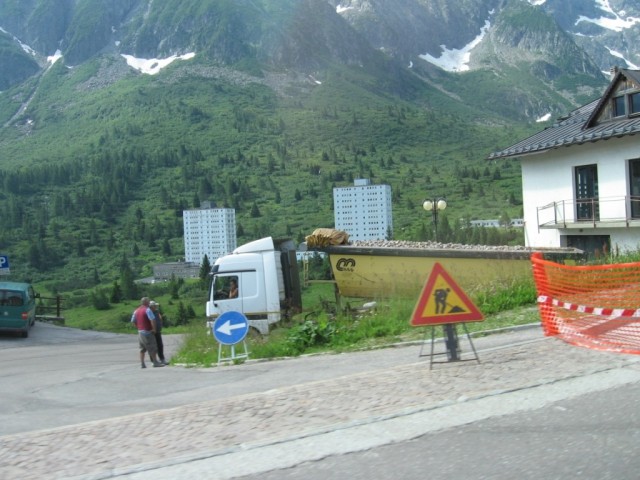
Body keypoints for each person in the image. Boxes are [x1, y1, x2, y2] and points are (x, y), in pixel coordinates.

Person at [131, 297, 164, 368]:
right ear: (146, 302)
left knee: (142, 348)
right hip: (148, 331)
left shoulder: (136, 310)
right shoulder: (147, 310)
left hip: (140, 332)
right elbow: (152, 320)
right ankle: (155, 362)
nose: (149, 303)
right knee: (153, 347)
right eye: (148, 301)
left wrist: (138, 327)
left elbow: (133, 321)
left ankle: (142, 364)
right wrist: (154, 329)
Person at [149, 300, 168, 365]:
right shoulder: (148, 312)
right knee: (152, 346)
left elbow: (160, 318)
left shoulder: (157, 311)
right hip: (151, 331)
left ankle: (162, 359)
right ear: (151, 306)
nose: (156, 307)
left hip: (158, 331)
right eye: (155, 306)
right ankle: (153, 360)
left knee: (160, 345)